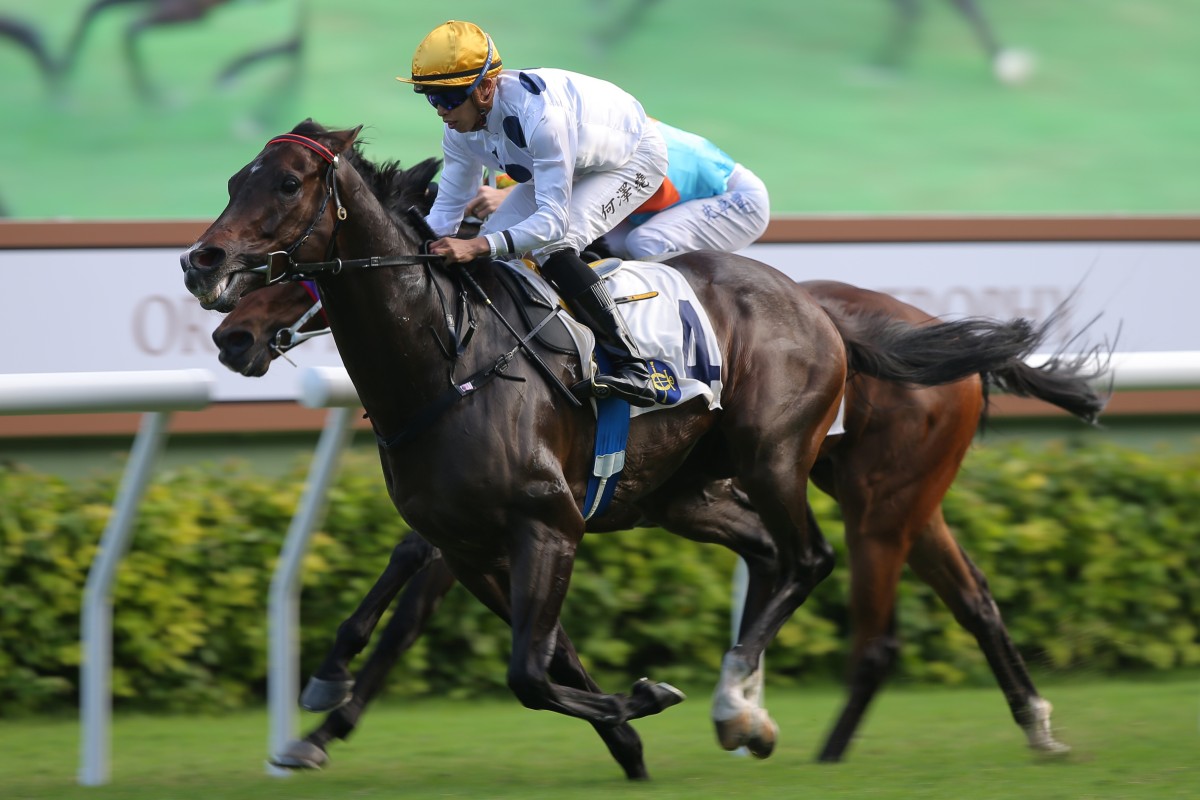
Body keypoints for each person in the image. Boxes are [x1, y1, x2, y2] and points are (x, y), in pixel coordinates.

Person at [397, 20, 668, 407]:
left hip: (632, 158)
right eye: (431, 98)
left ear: (486, 88)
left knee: (553, 242)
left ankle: (633, 365)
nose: (441, 110)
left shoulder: (540, 116)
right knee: (496, 251)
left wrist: (475, 246)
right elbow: (445, 214)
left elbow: (553, 222)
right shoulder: (457, 130)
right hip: (570, 161)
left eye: (450, 98)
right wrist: (417, 254)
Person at [466, 119, 770, 260]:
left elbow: (567, 182)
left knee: (646, 243)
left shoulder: (594, 142)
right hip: (667, 204)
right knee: (590, 251)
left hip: (737, 198)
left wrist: (506, 196)